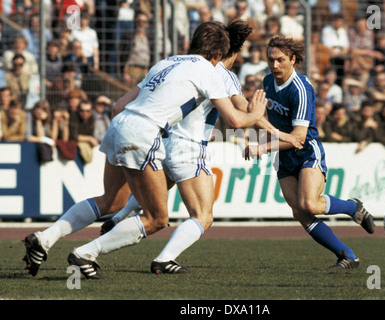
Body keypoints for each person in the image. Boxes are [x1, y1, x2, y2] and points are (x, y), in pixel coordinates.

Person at [22, 21, 268, 278]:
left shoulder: (166, 62)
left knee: (111, 200)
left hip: (120, 124)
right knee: (157, 219)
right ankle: (86, 254)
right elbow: (235, 121)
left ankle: (44, 238)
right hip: (144, 133)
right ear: (218, 55)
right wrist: (257, 113)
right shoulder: (210, 71)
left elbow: (118, 106)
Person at [74, 19, 300, 276]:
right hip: (190, 147)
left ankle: (119, 216)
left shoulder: (178, 64)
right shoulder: (222, 75)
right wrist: (279, 132)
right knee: (202, 215)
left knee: (159, 189)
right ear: (231, 53)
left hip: (162, 140)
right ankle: (162, 258)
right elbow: (244, 112)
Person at [244, 36, 375, 270]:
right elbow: (266, 122)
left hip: (306, 152)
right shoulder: (267, 81)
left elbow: (298, 138)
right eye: (271, 60)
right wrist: (255, 119)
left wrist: (262, 146)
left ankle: (353, 208)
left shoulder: (301, 89)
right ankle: (347, 255)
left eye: (280, 60)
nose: (274, 65)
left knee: (311, 205)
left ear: (293, 59)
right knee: (300, 212)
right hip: (283, 155)